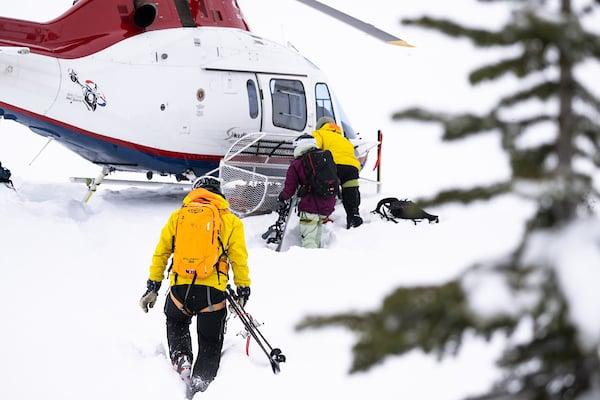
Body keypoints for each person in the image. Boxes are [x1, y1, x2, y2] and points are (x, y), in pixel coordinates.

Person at [139, 176, 251, 395]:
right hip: (212, 294)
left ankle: (182, 360)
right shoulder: (230, 221)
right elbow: (239, 258)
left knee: (176, 322)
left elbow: (161, 253)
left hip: (180, 290)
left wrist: (153, 286)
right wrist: (243, 287)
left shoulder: (178, 217)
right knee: (209, 341)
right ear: (219, 194)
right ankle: (202, 385)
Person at [278, 135, 336, 248]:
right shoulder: (325, 157)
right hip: (328, 202)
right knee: (317, 232)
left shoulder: (297, 163)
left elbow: (290, 189)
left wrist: (282, 197)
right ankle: (318, 256)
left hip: (311, 204)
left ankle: (310, 261)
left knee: (308, 236)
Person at [312, 116, 363, 229]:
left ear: (320, 126)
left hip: (333, 165)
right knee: (351, 190)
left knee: (327, 189)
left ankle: (323, 216)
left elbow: (313, 147)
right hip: (351, 167)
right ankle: (353, 215)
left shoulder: (319, 133)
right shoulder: (345, 139)